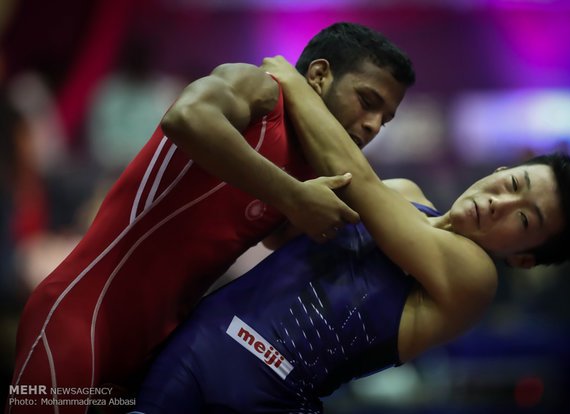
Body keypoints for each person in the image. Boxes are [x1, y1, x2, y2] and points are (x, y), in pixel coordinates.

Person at [129, 58, 570, 413]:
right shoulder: (403, 192)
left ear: (524, 259)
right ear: (503, 170)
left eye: (525, 220)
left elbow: (355, 178)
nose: (500, 202)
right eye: (513, 185)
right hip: (204, 340)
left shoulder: (474, 279)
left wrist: (294, 83)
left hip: (269, 395)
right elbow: (285, 233)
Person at [7, 23, 415, 413]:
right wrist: (294, 198)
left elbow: (273, 236)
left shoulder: (310, 171)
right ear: (320, 74)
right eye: (367, 102)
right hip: (82, 315)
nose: (373, 125)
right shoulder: (260, 90)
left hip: (154, 346)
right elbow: (185, 118)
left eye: (386, 118)